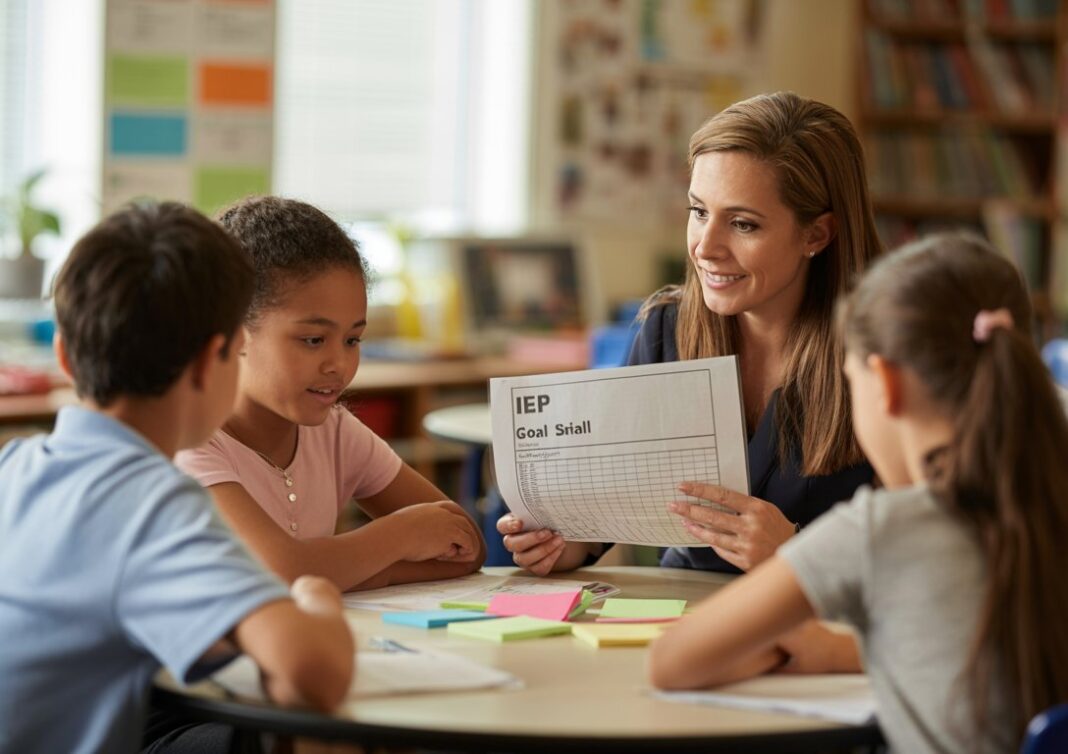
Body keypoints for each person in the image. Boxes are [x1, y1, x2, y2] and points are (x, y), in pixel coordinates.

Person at [648, 233, 1068, 753]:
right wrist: (853, 650)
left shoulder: (883, 529)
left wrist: (826, 647)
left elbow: (673, 661)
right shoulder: (1049, 502)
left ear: (885, 384)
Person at [0, 202, 354, 754]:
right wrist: (316, 596)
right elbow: (313, 670)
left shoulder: (12, 467)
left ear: (64, 356)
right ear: (214, 359)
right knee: (316, 737)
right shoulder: (152, 504)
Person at [499, 91, 881, 574]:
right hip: (683, 610)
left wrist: (799, 556)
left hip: (821, 628)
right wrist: (563, 543)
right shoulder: (667, 330)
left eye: (743, 224)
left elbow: (939, 560)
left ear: (816, 235)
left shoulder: (886, 352)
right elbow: (611, 508)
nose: (706, 247)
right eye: (699, 212)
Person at [176, 196, 485, 592]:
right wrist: (401, 536)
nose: (338, 363)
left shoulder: (335, 431)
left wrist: (354, 570)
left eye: (353, 339)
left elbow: (465, 545)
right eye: (313, 339)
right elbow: (280, 572)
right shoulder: (190, 445)